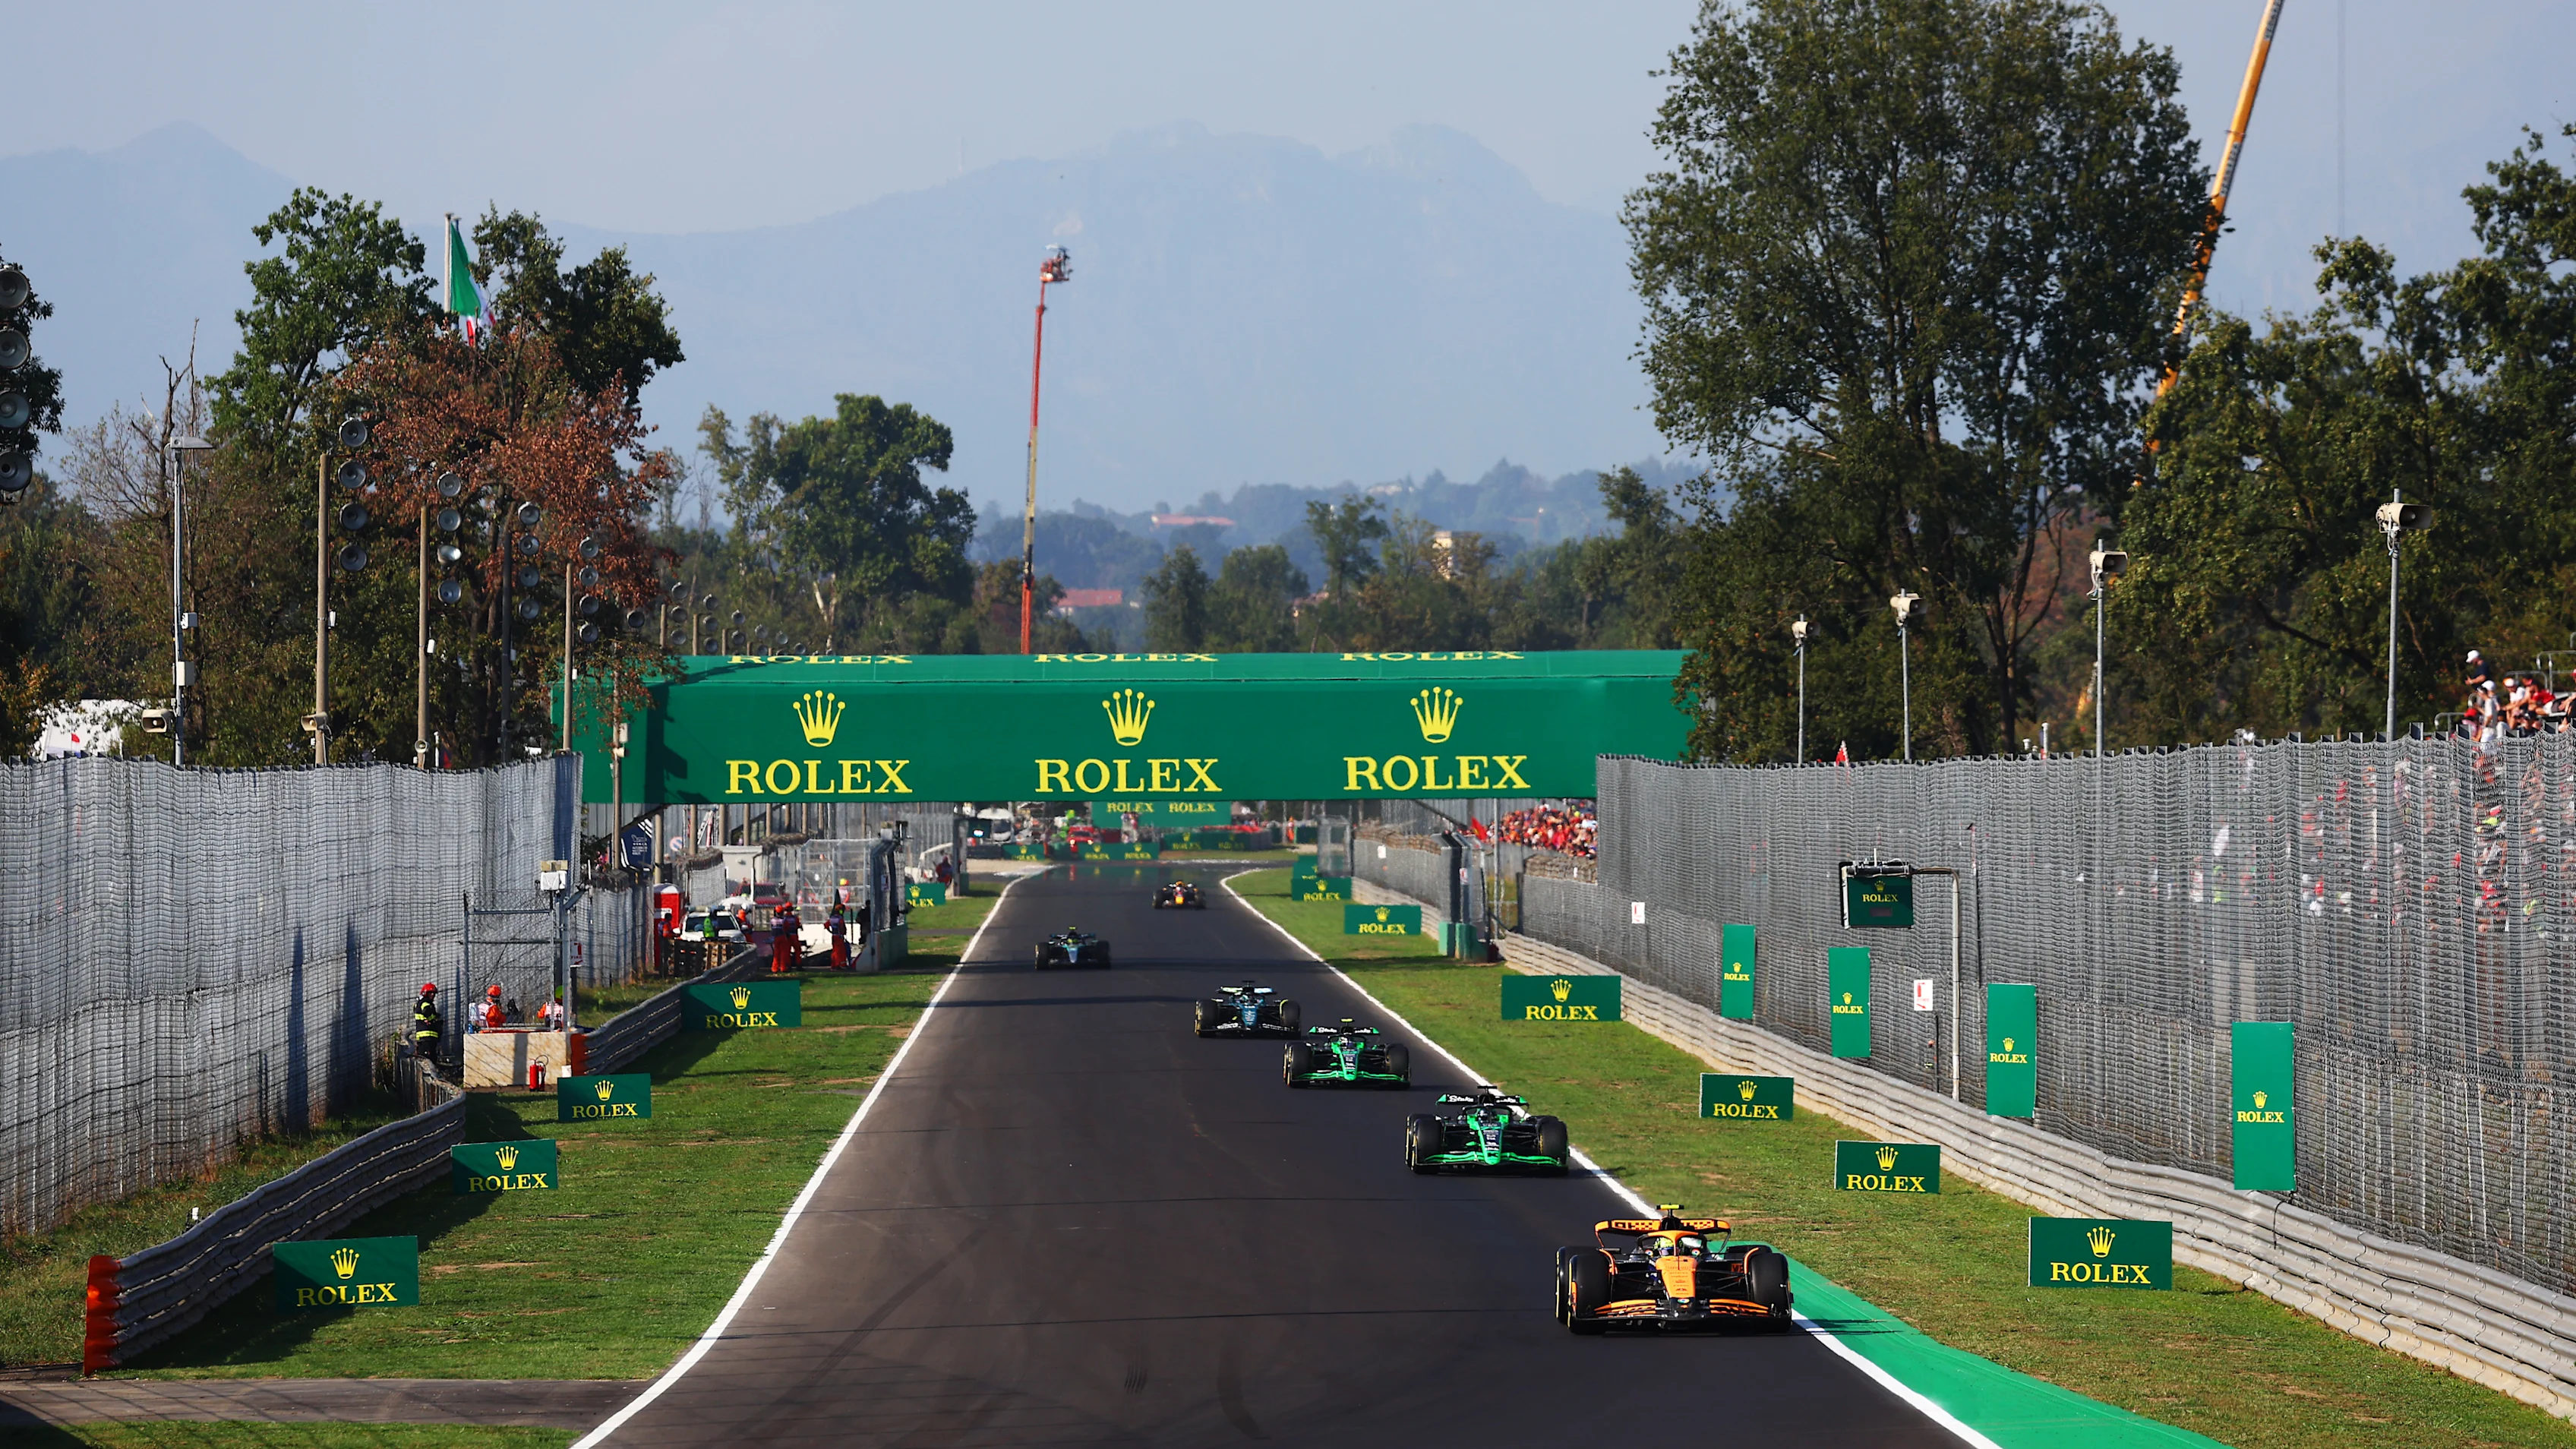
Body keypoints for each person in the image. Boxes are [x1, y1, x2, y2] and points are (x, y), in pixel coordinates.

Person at [412, 983, 442, 1063]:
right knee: (429, 1060)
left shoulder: (419, 1003)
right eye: (430, 993)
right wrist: (435, 1018)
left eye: (434, 993)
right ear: (425, 993)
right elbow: (427, 1012)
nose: (432, 995)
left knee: (425, 1058)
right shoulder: (426, 1003)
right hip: (427, 1035)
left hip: (424, 1036)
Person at [827, 895, 851, 971]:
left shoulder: (831, 918)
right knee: (840, 951)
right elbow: (842, 927)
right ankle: (839, 965)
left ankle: (834, 965)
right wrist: (843, 932)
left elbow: (826, 925)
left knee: (834, 951)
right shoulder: (840, 919)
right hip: (839, 936)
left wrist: (830, 931)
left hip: (834, 936)